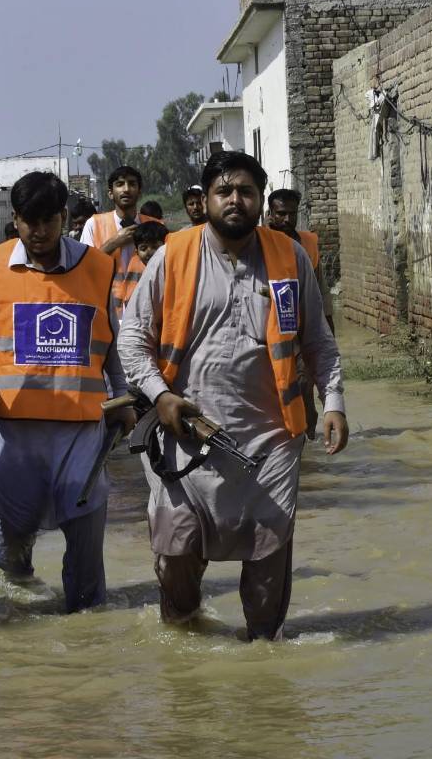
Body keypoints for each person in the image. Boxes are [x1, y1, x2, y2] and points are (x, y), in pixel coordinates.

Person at [117, 150, 348, 641]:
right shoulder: (173, 255)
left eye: (246, 191)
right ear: (206, 199)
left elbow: (319, 342)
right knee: (176, 558)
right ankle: (186, 654)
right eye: (225, 191)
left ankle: (263, 667)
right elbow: (132, 338)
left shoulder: (291, 258)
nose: (235, 200)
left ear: (260, 199)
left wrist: (333, 404)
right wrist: (160, 396)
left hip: (271, 442)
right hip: (184, 437)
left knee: (268, 573)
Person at [0, 171, 136, 613]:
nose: (38, 232)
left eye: (47, 221)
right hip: (15, 429)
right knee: (16, 532)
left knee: (85, 523)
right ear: (16, 219)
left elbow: (112, 341)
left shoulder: (98, 267)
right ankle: (17, 583)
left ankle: (85, 617)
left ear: (63, 217)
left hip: (81, 426)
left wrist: (122, 398)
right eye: (27, 221)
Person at [79, 165, 163, 320]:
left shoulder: (156, 226)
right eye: (120, 184)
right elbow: (84, 268)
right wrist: (114, 242)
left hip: (145, 314)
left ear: (139, 191)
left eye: (132, 184)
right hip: (105, 313)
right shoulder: (94, 224)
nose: (126, 189)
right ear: (110, 193)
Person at [265, 188, 334, 333]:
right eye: (281, 214)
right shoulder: (259, 244)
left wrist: (329, 329)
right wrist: (267, 232)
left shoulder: (308, 243)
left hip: (305, 322)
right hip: (271, 324)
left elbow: (321, 291)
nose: (287, 220)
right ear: (270, 214)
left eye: (292, 214)